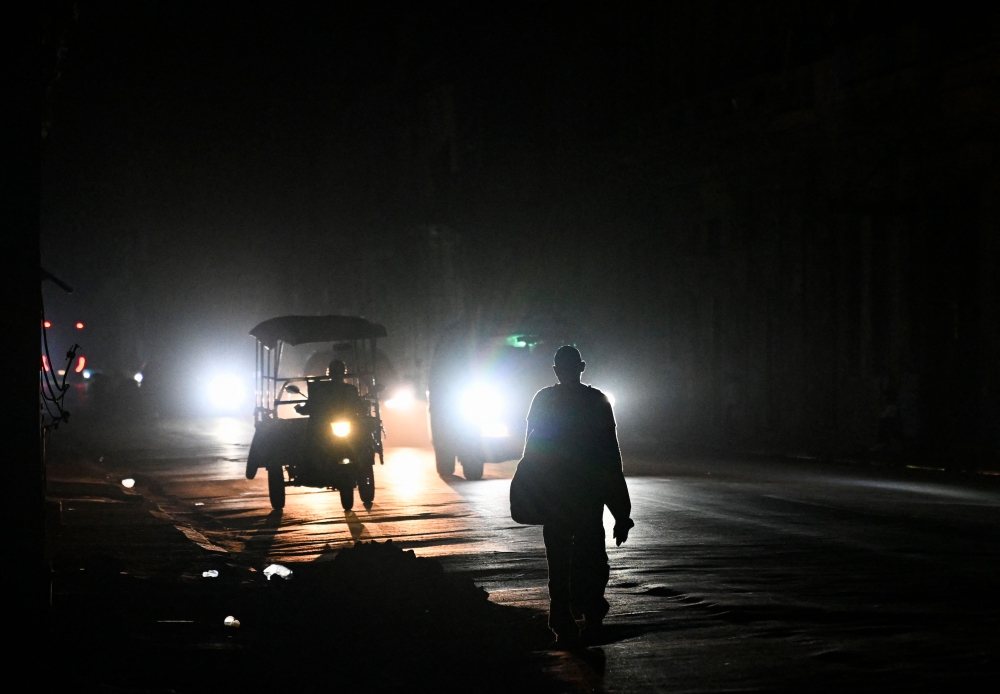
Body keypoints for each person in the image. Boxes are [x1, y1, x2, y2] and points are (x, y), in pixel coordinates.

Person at [524, 345, 633, 647]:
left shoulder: (543, 400)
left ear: (556, 370)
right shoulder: (597, 401)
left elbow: (531, 453)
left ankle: (562, 622)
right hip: (587, 497)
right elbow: (611, 457)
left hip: (556, 497)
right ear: (582, 367)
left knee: (558, 562)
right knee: (592, 559)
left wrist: (531, 493)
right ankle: (592, 617)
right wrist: (621, 513)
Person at [295, 360, 364, 465]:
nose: (336, 375)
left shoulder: (321, 389)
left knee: (362, 438)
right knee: (311, 440)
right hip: (322, 427)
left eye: (338, 371)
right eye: (335, 372)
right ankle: (310, 463)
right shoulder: (348, 389)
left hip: (347, 424)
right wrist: (301, 409)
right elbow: (310, 407)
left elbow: (358, 406)